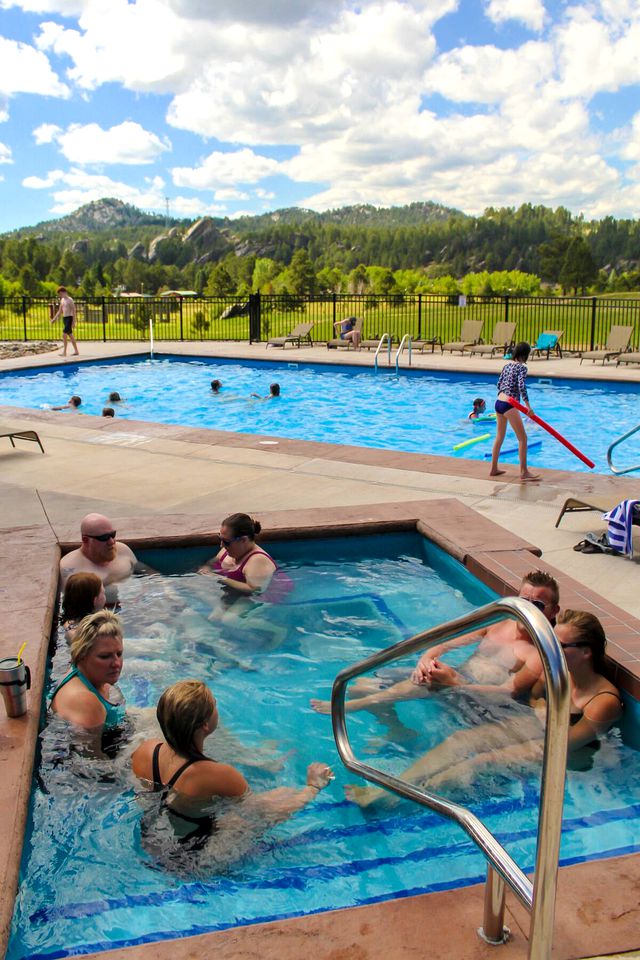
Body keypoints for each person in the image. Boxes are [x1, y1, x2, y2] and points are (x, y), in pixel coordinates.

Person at [348, 609, 622, 807]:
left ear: (586, 652)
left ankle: (401, 801)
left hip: (566, 752)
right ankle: (389, 791)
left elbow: (561, 745)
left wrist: (529, 727)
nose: (549, 649)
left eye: (559, 645)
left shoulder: (602, 701)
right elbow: (536, 698)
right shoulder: (558, 672)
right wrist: (539, 709)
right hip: (542, 726)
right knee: (460, 740)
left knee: (482, 760)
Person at [311, 570, 560, 715]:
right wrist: (426, 659)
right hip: (455, 678)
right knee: (359, 684)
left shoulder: (538, 653)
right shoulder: (497, 623)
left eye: (536, 605)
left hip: (479, 700)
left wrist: (454, 681)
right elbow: (446, 642)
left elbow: (507, 693)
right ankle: (397, 730)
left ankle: (356, 706)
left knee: (426, 682)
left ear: (552, 611)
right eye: (522, 601)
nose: (527, 610)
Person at [132, 679, 334, 856]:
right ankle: (312, 787)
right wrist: (311, 789)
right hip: (190, 860)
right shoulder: (218, 775)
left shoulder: (145, 751)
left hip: (151, 844)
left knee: (275, 795)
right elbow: (262, 815)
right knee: (269, 804)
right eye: (215, 705)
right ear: (205, 725)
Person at [49, 610, 127, 756]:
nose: (116, 663)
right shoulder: (87, 703)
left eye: (119, 654)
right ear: (82, 655)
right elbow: (93, 765)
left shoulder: (81, 674)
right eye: (105, 657)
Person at [198, 513, 292, 603]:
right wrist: (206, 568)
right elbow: (212, 563)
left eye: (226, 542)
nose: (221, 545)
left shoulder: (257, 560)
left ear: (244, 540)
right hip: (236, 592)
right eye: (220, 539)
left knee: (229, 619)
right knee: (190, 584)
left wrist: (219, 578)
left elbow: (256, 590)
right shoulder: (226, 550)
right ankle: (217, 609)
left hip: (263, 595)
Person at [59, 513, 143, 602]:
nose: (111, 541)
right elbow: (72, 605)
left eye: (112, 534)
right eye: (104, 538)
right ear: (85, 540)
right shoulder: (71, 568)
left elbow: (146, 573)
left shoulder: (123, 550)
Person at [489, 341, 539, 482]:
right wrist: (528, 406)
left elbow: (499, 384)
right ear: (525, 355)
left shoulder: (507, 365)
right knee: (523, 438)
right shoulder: (522, 368)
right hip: (509, 404)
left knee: (499, 437)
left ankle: (493, 468)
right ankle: (524, 471)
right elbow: (522, 386)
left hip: (498, 402)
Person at [60, 571, 106, 638]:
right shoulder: (93, 633)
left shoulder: (67, 623)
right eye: (103, 593)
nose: (105, 595)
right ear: (95, 601)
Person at [50, 286, 79, 357]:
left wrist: (74, 321)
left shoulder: (70, 300)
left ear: (64, 292)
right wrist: (54, 319)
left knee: (64, 334)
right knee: (70, 335)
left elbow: (74, 311)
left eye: (60, 294)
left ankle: (64, 352)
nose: (60, 295)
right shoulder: (62, 300)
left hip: (69, 318)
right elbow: (60, 311)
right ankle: (76, 351)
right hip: (65, 318)